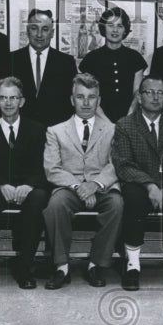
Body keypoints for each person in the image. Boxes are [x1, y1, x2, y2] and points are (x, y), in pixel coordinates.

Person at [41, 74, 123, 290]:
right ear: (72, 100)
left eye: (91, 97)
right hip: (70, 187)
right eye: (80, 97)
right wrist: (79, 187)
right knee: (55, 206)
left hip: (102, 187)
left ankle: (96, 264)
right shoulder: (56, 131)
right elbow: (52, 168)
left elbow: (117, 164)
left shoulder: (113, 129)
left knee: (117, 205)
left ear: (99, 100)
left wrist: (95, 185)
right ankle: (61, 266)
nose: (86, 103)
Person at [0, 76, 49, 291]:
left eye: (13, 98)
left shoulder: (38, 130)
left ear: (22, 101)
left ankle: (25, 267)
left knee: (39, 198)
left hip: (28, 186)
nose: (8, 103)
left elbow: (43, 166)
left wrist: (29, 185)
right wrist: (0, 185)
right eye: (3, 98)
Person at [111, 77, 163, 291]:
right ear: (139, 96)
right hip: (140, 183)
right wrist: (151, 186)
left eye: (160, 93)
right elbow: (123, 164)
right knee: (133, 199)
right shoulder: (124, 125)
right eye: (150, 92)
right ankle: (133, 264)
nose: (155, 97)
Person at [78, 6, 148, 123]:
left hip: (130, 118)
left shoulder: (135, 58)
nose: (115, 30)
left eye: (120, 26)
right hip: (98, 119)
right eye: (110, 26)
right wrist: (106, 122)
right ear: (103, 28)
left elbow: (137, 92)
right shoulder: (91, 58)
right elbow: (90, 94)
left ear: (125, 30)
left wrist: (128, 117)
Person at [10, 8, 77, 127]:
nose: (39, 34)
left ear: (52, 33)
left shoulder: (66, 62)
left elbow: (72, 103)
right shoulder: (12, 60)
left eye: (45, 29)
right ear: (27, 30)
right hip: (20, 132)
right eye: (34, 28)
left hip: (56, 134)